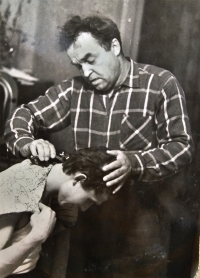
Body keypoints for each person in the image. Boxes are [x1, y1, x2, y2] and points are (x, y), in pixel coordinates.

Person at [4, 15, 195, 277]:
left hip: (140, 217)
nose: (85, 72)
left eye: (90, 60)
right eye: (77, 64)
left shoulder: (160, 84)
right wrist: (28, 142)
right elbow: (22, 116)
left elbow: (182, 147)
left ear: (114, 47)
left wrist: (134, 163)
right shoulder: (75, 90)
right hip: (87, 215)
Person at [0, 147, 117, 278]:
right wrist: (36, 237)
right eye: (88, 200)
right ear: (78, 179)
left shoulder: (47, 176)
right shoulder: (17, 189)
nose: (84, 208)